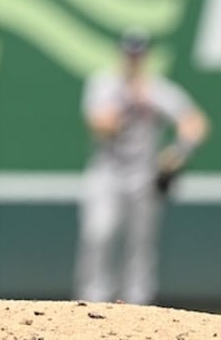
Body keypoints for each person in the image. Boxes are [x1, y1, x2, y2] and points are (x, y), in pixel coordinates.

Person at [75, 28, 210, 305]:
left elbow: (195, 122)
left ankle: (139, 307)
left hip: (144, 176)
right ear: (122, 54)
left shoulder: (158, 90)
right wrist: (129, 102)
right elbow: (99, 124)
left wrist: (178, 152)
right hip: (108, 174)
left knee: (141, 244)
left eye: (139, 54)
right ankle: (91, 303)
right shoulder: (104, 85)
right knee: (99, 233)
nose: (134, 59)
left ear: (146, 56)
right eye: (129, 54)